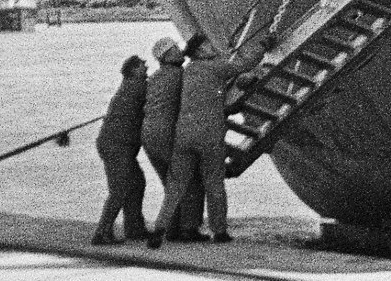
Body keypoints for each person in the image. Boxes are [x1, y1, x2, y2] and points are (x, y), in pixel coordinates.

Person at [146, 28, 274, 248]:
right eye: (208, 45)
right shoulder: (214, 67)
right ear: (201, 50)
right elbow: (242, 64)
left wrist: (239, 82)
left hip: (184, 135)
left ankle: (159, 229)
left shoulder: (188, 71)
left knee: (176, 185)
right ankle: (220, 231)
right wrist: (263, 45)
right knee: (214, 183)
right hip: (209, 135)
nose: (213, 47)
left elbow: (212, 88)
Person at [142, 37, 206, 241]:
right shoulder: (181, 75)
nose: (181, 50)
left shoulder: (155, 77)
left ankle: (172, 229)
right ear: (168, 55)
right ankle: (189, 229)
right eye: (176, 49)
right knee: (192, 180)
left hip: (149, 135)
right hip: (167, 134)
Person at [92, 56, 148, 245]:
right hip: (117, 146)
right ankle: (102, 232)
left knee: (137, 182)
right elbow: (160, 92)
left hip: (117, 145)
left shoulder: (128, 86)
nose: (146, 67)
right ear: (133, 70)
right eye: (142, 65)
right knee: (120, 189)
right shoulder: (136, 87)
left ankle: (134, 228)